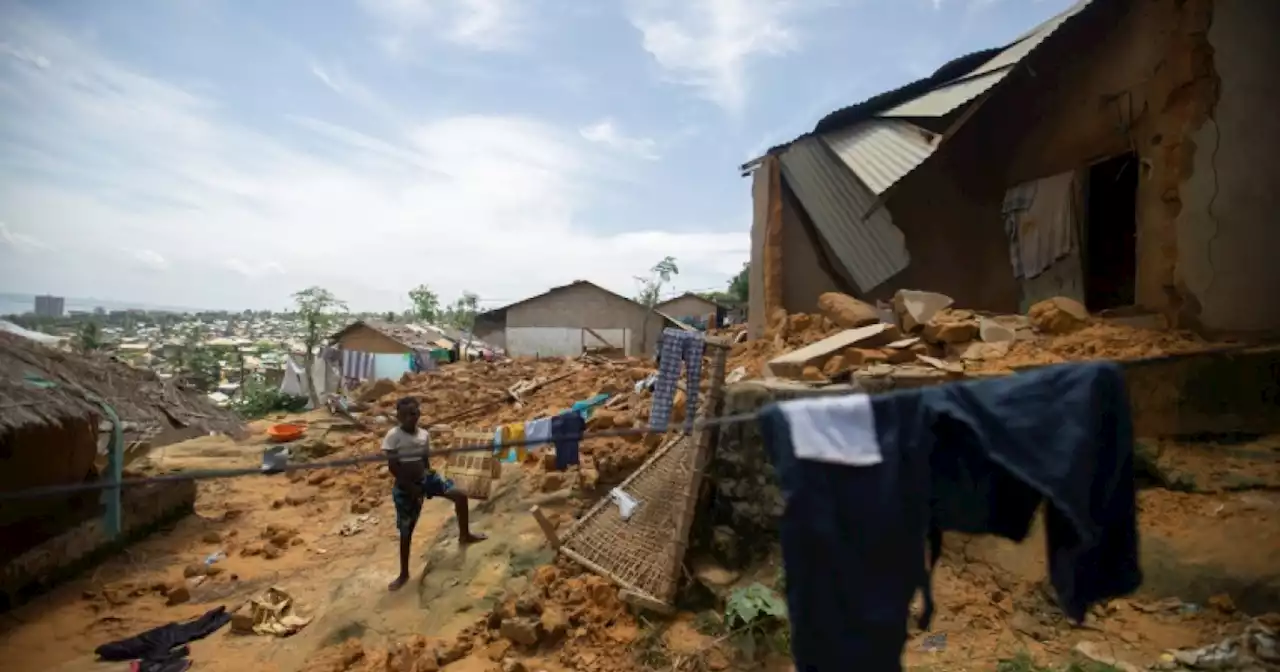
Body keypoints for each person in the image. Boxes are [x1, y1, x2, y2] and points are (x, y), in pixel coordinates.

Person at [383, 396, 486, 591]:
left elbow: (424, 459)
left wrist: (429, 479)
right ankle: (404, 573)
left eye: (413, 413)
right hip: (405, 487)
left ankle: (465, 534)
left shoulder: (423, 435)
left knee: (460, 495)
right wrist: (411, 488)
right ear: (398, 416)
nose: (410, 418)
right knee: (406, 531)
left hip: (425, 478)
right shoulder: (393, 436)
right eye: (404, 415)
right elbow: (393, 467)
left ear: (419, 413)